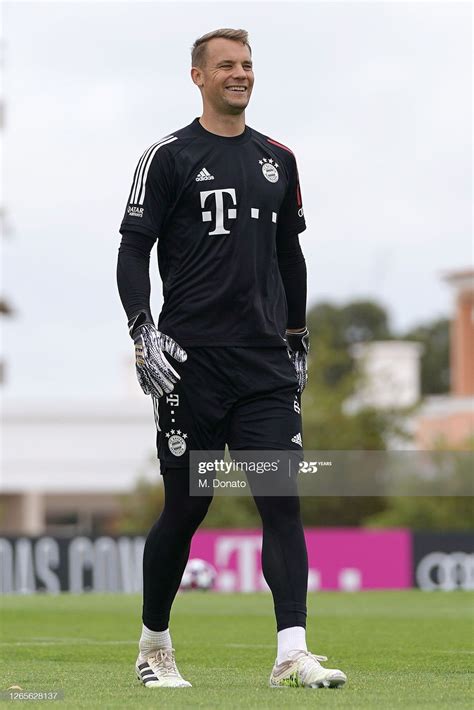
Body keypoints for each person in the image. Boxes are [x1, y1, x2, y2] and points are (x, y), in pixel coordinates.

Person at [117, 27, 346, 690]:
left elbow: (290, 257)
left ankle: (292, 653)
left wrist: (297, 336)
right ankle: (153, 647)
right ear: (198, 76)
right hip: (191, 362)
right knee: (189, 506)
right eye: (226, 66)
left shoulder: (279, 159)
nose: (240, 74)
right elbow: (133, 251)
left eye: (247, 65)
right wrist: (142, 331)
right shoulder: (168, 156)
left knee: (280, 500)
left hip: (264, 365)